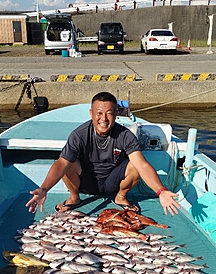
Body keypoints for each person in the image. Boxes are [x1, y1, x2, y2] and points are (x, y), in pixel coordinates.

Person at [26, 92, 180, 216]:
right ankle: (74, 198)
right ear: (91, 113)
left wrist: (161, 191)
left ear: (116, 113)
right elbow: (61, 164)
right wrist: (44, 188)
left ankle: (121, 197)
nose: (104, 119)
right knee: (68, 162)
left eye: (109, 113)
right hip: (86, 182)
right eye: (99, 113)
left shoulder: (125, 135)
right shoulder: (79, 135)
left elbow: (143, 165)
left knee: (135, 164)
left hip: (113, 182)